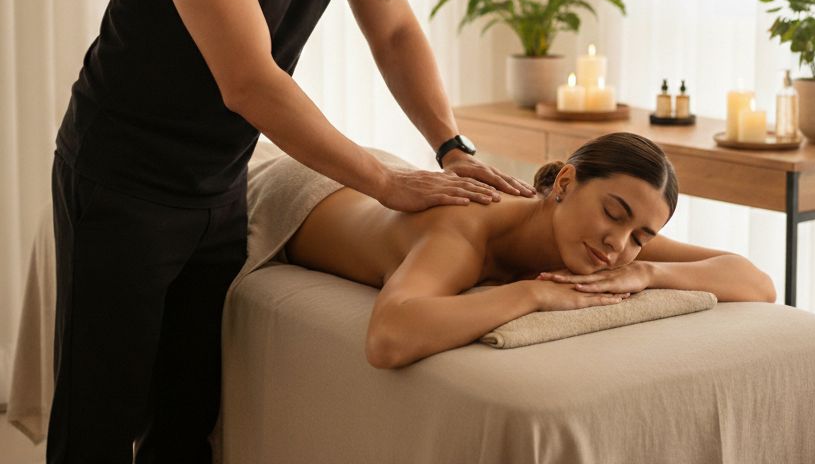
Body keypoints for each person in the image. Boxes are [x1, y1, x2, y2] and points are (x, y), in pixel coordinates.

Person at [48, 0, 532, 463]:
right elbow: (249, 80)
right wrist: (384, 182)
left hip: (220, 183)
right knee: (101, 420)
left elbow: (395, 29)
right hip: (124, 180)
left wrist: (450, 145)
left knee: (189, 419)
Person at [283, 132, 777, 368]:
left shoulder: (613, 242)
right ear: (565, 183)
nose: (619, 243)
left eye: (641, 237)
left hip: (380, 174)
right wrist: (532, 295)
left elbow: (756, 282)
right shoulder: (464, 230)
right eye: (614, 213)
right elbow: (389, 338)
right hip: (295, 189)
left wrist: (650, 272)